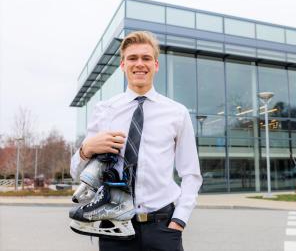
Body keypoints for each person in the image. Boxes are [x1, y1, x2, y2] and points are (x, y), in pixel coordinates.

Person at [70, 30, 203, 251]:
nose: (139, 64)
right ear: (123, 65)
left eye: (146, 58)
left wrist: (179, 220)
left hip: (163, 226)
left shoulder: (177, 113)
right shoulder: (104, 111)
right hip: (113, 226)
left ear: (156, 65)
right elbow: (76, 172)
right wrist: (87, 149)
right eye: (132, 58)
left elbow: (191, 173)